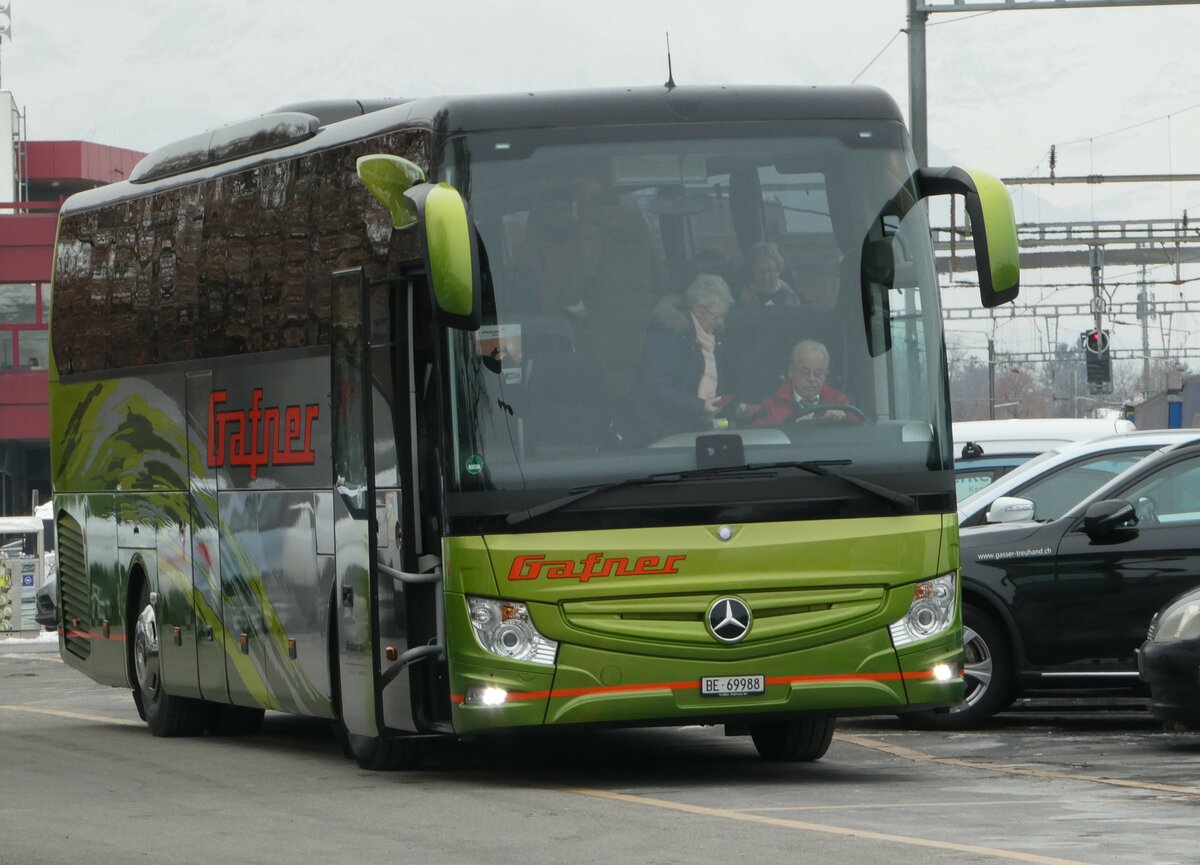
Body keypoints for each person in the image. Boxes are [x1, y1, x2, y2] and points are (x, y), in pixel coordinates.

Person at [635, 273, 745, 438]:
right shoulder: (669, 334)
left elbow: (720, 385)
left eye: (724, 315)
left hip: (696, 428)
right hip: (663, 431)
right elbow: (656, 389)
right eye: (717, 315)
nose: (721, 321)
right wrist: (700, 406)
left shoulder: (714, 337)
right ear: (699, 309)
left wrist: (735, 406)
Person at [753, 339, 858, 424]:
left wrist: (845, 419)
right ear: (791, 371)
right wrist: (793, 427)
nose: (811, 379)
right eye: (805, 372)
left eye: (818, 373)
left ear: (826, 374)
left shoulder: (840, 402)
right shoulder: (771, 406)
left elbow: (860, 431)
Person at [739, 242, 801, 307]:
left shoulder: (789, 295)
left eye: (770, 271)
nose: (766, 277)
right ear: (752, 272)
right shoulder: (746, 296)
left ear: (778, 270)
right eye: (760, 271)